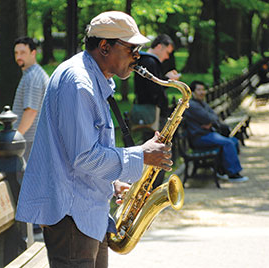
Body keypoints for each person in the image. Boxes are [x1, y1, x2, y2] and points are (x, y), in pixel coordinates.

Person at [15, 11, 173, 267]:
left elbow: (78, 153)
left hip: (84, 213)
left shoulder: (90, 77)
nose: (137, 57)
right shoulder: (79, 83)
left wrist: (111, 183)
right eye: (132, 49)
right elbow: (83, 156)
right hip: (72, 217)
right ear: (104, 47)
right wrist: (141, 154)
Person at [134, 34, 180, 189]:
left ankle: (148, 184)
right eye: (167, 52)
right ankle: (151, 186)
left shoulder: (146, 61)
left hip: (149, 112)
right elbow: (153, 91)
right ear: (159, 46)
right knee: (159, 151)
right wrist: (167, 82)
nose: (167, 57)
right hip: (153, 113)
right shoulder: (150, 61)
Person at [184, 80, 249, 182]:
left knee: (234, 141)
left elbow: (214, 117)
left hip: (208, 134)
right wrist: (211, 120)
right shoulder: (192, 105)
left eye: (203, 89)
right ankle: (233, 174)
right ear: (192, 92)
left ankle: (222, 169)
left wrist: (211, 121)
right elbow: (209, 118)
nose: (202, 92)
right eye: (199, 90)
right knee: (228, 143)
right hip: (199, 137)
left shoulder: (202, 103)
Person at [12, 36, 49, 162]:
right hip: (33, 139)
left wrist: (15, 139)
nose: (18, 57)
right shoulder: (35, 74)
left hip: (29, 140)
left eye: (23, 52)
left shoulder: (32, 78)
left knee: (24, 179)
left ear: (33, 53)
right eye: (16, 53)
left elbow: (31, 111)